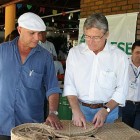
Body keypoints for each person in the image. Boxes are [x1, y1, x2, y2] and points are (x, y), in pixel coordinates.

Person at [0, 12, 62, 140]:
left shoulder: (45, 57)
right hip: (2, 124)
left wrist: (52, 112)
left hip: (31, 127)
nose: (37, 38)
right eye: (32, 33)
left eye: (39, 33)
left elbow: (52, 88)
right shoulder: (2, 51)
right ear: (20, 30)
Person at [63, 13, 129, 129]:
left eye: (96, 37)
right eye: (87, 36)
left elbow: (122, 89)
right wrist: (76, 110)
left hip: (108, 111)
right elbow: (69, 85)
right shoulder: (75, 53)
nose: (91, 42)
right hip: (81, 109)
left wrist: (106, 110)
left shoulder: (119, 57)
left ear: (106, 34)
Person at [121, 40, 140, 130]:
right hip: (126, 105)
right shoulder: (123, 64)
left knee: (137, 132)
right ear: (132, 51)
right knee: (126, 132)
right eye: (137, 52)